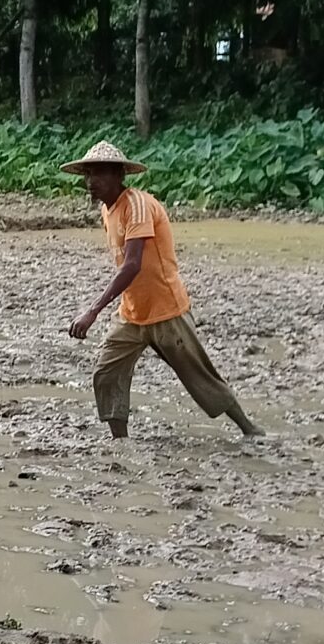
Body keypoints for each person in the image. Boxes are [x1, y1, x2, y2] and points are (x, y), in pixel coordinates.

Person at [62, 141, 262, 440]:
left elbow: (132, 266)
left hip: (166, 309)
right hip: (132, 312)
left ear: (118, 175)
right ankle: (121, 442)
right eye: (88, 174)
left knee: (198, 375)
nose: (92, 181)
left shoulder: (138, 205)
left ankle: (249, 429)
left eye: (100, 173)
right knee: (107, 372)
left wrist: (92, 310)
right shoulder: (108, 210)